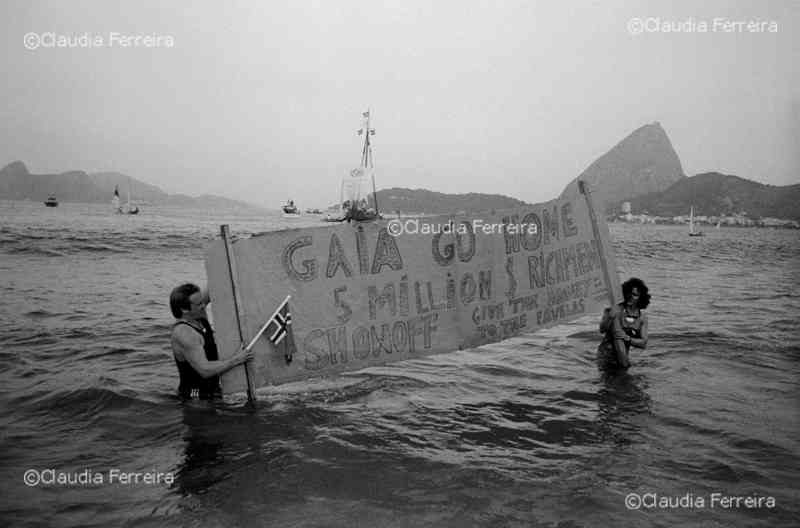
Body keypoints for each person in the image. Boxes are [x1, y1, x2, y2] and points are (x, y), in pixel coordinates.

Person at [169, 283, 253, 399]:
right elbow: (205, 370)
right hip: (195, 396)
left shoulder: (198, 315)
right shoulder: (184, 333)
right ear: (184, 309)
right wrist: (237, 359)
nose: (204, 305)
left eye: (202, 301)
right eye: (199, 304)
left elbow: (213, 285)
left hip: (214, 390)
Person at [597, 277, 650, 370]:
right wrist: (610, 316)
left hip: (623, 356)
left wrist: (627, 338)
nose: (630, 296)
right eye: (629, 293)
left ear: (640, 298)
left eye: (635, 295)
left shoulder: (641, 318)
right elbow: (602, 329)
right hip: (605, 356)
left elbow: (643, 343)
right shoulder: (615, 309)